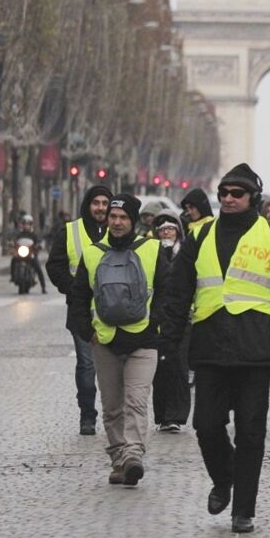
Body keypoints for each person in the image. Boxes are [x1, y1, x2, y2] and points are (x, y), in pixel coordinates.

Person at [160, 163, 270, 533]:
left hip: (255, 349)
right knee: (206, 426)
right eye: (224, 192)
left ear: (252, 198)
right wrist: (168, 340)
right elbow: (179, 291)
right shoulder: (201, 235)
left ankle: (244, 509)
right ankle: (224, 478)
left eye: (236, 193)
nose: (228, 198)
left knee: (251, 433)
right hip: (210, 346)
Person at [70, 194, 169, 488]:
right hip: (105, 339)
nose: (116, 222)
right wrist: (86, 329)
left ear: (133, 220)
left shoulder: (152, 249)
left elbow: (168, 290)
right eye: (112, 217)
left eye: (123, 218)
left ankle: (134, 455)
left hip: (144, 340)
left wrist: (156, 324)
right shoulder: (92, 253)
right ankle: (118, 460)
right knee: (112, 406)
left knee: (136, 401)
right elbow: (78, 297)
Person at [47, 184, 112, 435]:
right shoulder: (70, 231)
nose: (101, 208)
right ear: (88, 204)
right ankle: (88, 416)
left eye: (105, 203)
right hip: (81, 311)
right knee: (86, 365)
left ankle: (114, 415)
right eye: (96, 203)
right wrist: (73, 289)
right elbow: (55, 266)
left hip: (115, 312)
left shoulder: (119, 228)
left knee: (113, 367)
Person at [150, 213, 190, 433]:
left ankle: (176, 415)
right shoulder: (152, 253)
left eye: (170, 229)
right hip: (158, 319)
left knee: (179, 367)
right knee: (161, 368)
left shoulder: (185, 254)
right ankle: (163, 416)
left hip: (182, 318)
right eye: (162, 230)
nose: (166, 233)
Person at [9, 214, 47, 293]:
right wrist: (12, 245)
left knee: (38, 268)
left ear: (31, 225)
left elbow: (39, 241)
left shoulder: (34, 235)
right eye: (24, 224)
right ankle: (12, 277)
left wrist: (39, 245)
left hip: (31, 254)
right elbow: (14, 241)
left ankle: (43, 287)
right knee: (13, 261)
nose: (26, 226)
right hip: (20, 254)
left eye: (28, 224)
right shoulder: (19, 234)